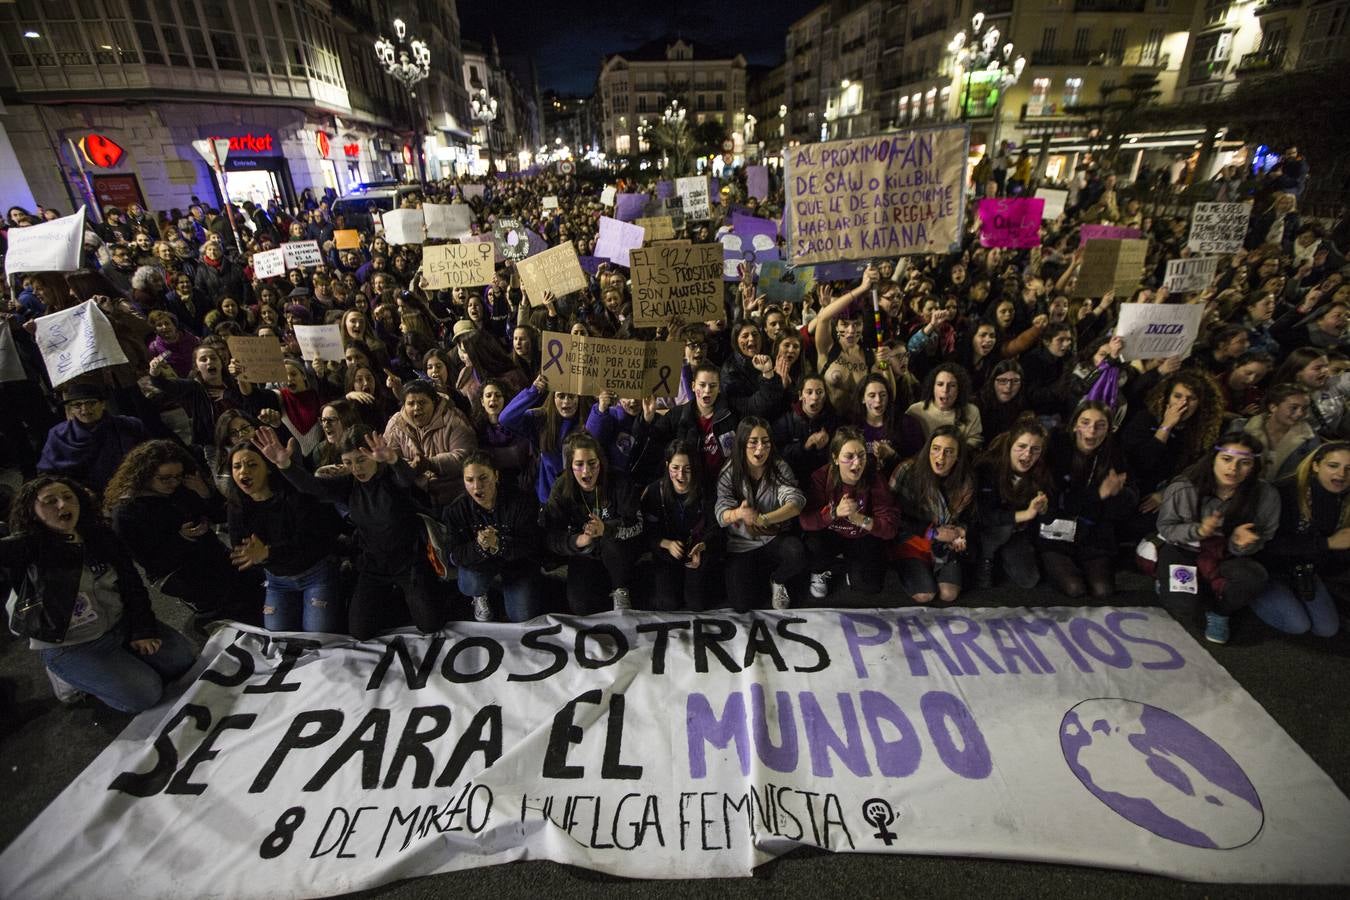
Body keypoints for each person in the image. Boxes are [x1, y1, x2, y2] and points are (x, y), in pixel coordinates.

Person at [1, 475, 196, 713]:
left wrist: (143, 628)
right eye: (50, 501)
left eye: (67, 497)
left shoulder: (99, 535)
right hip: (74, 645)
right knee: (146, 694)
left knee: (183, 658)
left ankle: (119, 664)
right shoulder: (26, 547)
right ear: (32, 511)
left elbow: (132, 585)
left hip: (119, 623)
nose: (62, 505)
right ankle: (66, 676)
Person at [253, 425, 448, 639]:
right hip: (373, 565)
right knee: (360, 631)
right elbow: (312, 487)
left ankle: (411, 597)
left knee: (430, 624)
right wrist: (285, 464)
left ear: (375, 457)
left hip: (409, 563)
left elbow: (406, 479)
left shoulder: (392, 478)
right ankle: (391, 599)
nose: (356, 468)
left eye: (361, 460)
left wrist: (393, 459)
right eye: (349, 463)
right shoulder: (349, 484)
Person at [103, 441, 261, 637]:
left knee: (255, 580)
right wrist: (181, 539)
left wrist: (204, 493)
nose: (173, 483)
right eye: (165, 478)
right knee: (234, 603)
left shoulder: (182, 488)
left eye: (177, 477)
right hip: (176, 571)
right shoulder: (127, 512)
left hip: (210, 552)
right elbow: (151, 563)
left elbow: (220, 515)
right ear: (144, 475)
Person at [1152, 434, 1280, 644]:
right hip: (1186, 548)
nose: (1233, 469)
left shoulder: (1266, 495)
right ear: (1214, 458)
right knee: (1184, 605)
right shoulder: (1184, 487)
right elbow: (1166, 528)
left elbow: (1266, 536)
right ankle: (1168, 582)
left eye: (1244, 463)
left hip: (1227, 554)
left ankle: (1220, 612)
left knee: (1255, 576)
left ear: (1254, 466)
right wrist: (1199, 531)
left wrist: (1241, 544)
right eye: (1226, 459)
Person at [224, 442, 344, 633]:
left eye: (252, 465)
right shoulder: (236, 506)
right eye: (237, 466)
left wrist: (269, 552)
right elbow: (244, 551)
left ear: (268, 469)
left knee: (317, 637)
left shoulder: (294, 495)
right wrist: (257, 557)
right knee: (278, 638)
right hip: (277, 582)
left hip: (315, 575)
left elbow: (312, 542)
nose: (243, 472)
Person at [1040, 401, 1136, 600]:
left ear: (1109, 429)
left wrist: (1116, 494)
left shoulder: (1114, 454)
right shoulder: (1056, 449)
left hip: (1094, 534)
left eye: (1100, 425)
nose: (1092, 431)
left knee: (1103, 591)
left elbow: (1126, 504)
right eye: (1085, 422)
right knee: (1075, 589)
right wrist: (1099, 495)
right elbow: (1059, 502)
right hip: (1056, 532)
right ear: (1075, 425)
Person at [1252, 442, 1349, 637]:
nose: (1341, 474)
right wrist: (1328, 543)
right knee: (1298, 625)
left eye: (1349, 469)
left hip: (1304, 570)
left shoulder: (1344, 501)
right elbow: (1265, 544)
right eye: (1333, 465)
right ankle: (1247, 596)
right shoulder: (1284, 492)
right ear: (1315, 465)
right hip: (1268, 568)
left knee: (1327, 629)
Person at [542, 432, 643, 613]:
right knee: (580, 606)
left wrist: (607, 529)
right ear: (570, 467)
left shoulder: (619, 480)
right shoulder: (561, 486)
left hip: (618, 550)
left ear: (600, 462)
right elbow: (550, 535)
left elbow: (637, 524)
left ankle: (620, 587)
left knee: (612, 546)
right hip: (585, 553)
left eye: (592, 464)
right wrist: (577, 541)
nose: (586, 472)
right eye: (579, 465)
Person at [715, 417, 807, 611]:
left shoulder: (779, 467)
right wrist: (738, 514)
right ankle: (758, 575)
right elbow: (721, 513)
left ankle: (778, 579)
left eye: (765, 442)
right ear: (742, 443)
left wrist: (764, 519)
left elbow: (796, 502)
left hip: (773, 538)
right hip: (742, 544)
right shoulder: (729, 472)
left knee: (796, 552)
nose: (760, 448)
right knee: (742, 604)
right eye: (753, 442)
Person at [444, 451, 545, 623]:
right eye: (469, 480)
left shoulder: (522, 501)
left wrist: (499, 544)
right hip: (481, 564)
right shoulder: (456, 510)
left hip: (517, 564)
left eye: (483, 478)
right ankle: (480, 595)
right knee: (470, 584)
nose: (477, 487)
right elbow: (454, 555)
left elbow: (532, 545)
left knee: (522, 616)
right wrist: (479, 547)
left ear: (496, 476)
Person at [799, 427, 899, 599]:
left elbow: (890, 528)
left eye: (861, 455)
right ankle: (820, 569)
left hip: (861, 535)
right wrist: (834, 513)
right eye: (849, 457)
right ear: (835, 458)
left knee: (870, 586)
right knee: (812, 544)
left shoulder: (874, 477)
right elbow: (805, 521)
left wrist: (860, 519)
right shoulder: (821, 477)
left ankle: (850, 566)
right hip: (831, 533)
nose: (857, 463)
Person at [889, 425, 976, 604]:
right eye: (935, 449)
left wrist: (961, 532)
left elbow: (971, 517)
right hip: (913, 538)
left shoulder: (966, 480)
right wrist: (932, 532)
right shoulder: (907, 471)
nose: (940, 457)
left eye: (949, 452)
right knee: (925, 595)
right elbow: (891, 514)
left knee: (948, 594)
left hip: (946, 542)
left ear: (958, 456)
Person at [640, 439, 724, 612]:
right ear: (667, 466)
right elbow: (646, 531)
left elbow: (716, 527)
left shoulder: (706, 490)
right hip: (667, 552)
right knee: (668, 602)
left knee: (697, 604)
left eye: (687, 469)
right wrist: (665, 544)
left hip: (698, 552)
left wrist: (703, 546)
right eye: (675, 468)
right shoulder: (656, 491)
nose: (681, 476)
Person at [973, 421, 1053, 590]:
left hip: (1017, 532)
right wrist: (1026, 514)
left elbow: (1048, 514)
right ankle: (986, 557)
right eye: (1021, 446)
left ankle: (1003, 556)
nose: (1027, 454)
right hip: (987, 529)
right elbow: (984, 515)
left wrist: (1043, 507)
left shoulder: (1041, 471)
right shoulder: (988, 467)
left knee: (1029, 580)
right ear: (1010, 445)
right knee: (1002, 528)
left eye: (1035, 449)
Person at [499, 373, 594, 503]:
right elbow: (506, 418)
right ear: (553, 398)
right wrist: (533, 392)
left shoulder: (590, 419)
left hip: (581, 499)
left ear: (579, 398)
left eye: (571, 396)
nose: (566, 401)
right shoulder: (540, 420)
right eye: (561, 396)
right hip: (548, 499)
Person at [38, 383, 148, 493]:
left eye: (91, 403)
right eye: (77, 405)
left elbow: (149, 458)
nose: (85, 410)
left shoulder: (129, 425)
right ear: (70, 409)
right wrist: (77, 491)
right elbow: (48, 474)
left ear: (103, 404)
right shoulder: (58, 435)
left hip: (131, 487)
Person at [381, 380, 477, 504]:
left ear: (434, 402)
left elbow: (466, 457)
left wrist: (430, 463)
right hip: (415, 495)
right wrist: (408, 467)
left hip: (454, 493)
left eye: (422, 402)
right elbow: (391, 458)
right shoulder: (395, 425)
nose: (417, 408)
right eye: (411, 403)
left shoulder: (454, 420)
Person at [1241, 384, 1319, 480]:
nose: (1300, 413)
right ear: (1273, 407)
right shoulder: (1241, 428)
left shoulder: (1310, 439)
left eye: (1304, 408)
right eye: (1294, 407)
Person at [903, 363, 984, 452]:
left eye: (952, 385)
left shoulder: (971, 411)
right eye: (940, 384)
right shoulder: (915, 411)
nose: (945, 390)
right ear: (932, 387)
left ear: (960, 389)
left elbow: (975, 441)